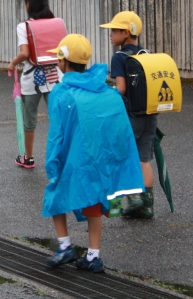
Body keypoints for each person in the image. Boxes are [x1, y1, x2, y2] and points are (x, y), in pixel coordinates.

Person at [42, 34, 144, 273]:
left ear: (65, 61)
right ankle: (93, 255)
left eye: (59, 58)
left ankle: (65, 246)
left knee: (56, 193)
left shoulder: (61, 92)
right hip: (99, 158)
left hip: (73, 158)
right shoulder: (105, 90)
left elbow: (56, 133)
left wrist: (52, 162)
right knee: (95, 202)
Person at [100, 11, 157, 219]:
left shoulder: (119, 57)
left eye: (114, 30)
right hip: (149, 114)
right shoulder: (146, 53)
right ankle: (147, 206)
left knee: (122, 157)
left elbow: (121, 88)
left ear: (125, 33)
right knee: (143, 159)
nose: (110, 34)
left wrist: (108, 98)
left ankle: (132, 200)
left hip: (129, 117)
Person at [7, 0, 61, 168]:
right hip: (55, 77)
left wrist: (13, 63)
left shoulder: (25, 26)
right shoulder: (57, 23)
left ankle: (28, 157)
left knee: (29, 119)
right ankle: (61, 156)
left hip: (32, 79)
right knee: (57, 116)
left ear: (28, 4)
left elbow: (25, 53)